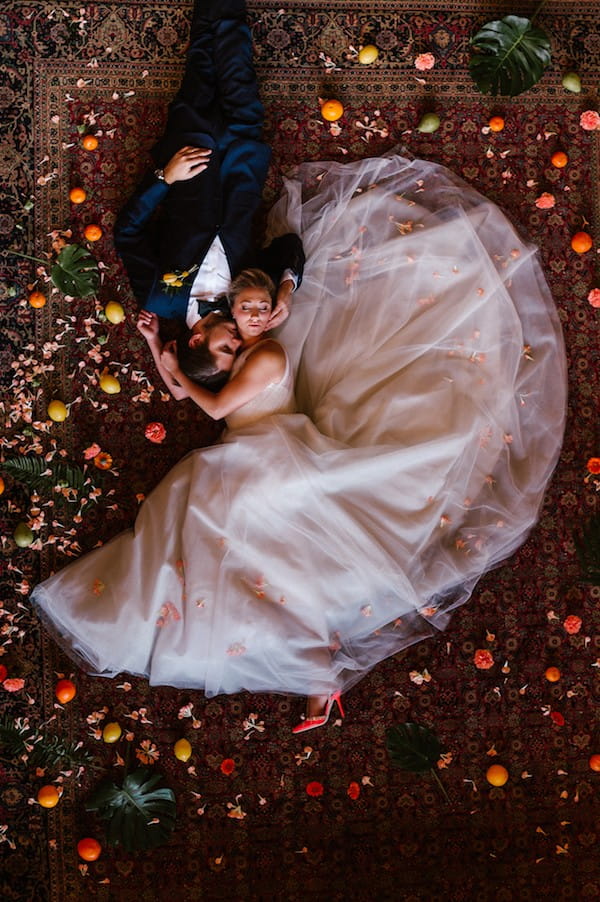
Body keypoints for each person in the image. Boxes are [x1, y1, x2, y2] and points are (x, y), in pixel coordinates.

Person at [32, 151, 567, 731]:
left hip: (269, 449)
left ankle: (310, 668)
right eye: (226, 345)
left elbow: (208, 401)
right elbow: (191, 396)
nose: (233, 341)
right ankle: (317, 673)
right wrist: (161, 354)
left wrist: (175, 361)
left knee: (219, 533)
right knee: (273, 558)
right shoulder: (237, 360)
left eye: (227, 342)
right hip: (267, 452)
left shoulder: (265, 360)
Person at [113, 0, 305, 387]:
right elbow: (289, 246)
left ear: (197, 339)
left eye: (226, 349)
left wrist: (165, 177)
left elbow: (127, 232)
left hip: (190, 152)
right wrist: (286, 289)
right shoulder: (247, 301)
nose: (238, 342)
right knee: (237, 63)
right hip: (242, 159)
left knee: (201, 59)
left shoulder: (159, 298)